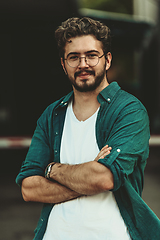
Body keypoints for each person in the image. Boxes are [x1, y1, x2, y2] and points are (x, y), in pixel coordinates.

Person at [16, 17, 160, 240]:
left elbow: (104, 179)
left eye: (92, 55)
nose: (83, 64)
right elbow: (29, 188)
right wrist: (90, 173)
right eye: (74, 57)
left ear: (107, 60)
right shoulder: (52, 115)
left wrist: (51, 169)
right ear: (64, 65)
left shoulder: (129, 111)